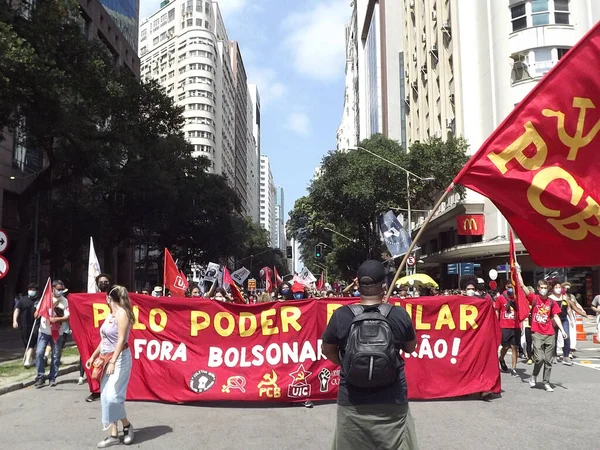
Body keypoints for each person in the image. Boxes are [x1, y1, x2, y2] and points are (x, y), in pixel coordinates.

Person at [322, 260, 418, 450]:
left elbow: (327, 349)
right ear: (384, 286)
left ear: (357, 285)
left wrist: (346, 363)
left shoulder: (341, 315)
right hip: (392, 401)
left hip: (352, 402)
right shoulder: (398, 314)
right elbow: (411, 347)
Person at [86, 286, 135, 448]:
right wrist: (93, 356)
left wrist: (113, 361)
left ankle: (127, 426)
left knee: (114, 397)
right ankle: (114, 434)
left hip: (119, 359)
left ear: (109, 298)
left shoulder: (123, 314)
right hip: (104, 358)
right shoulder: (110, 315)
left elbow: (121, 340)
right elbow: (104, 340)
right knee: (106, 397)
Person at [519, 276, 568, 392]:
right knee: (539, 358)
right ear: (538, 288)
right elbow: (523, 286)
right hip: (537, 333)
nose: (544, 290)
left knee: (548, 360)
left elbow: (556, 316)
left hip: (550, 333)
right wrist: (519, 272)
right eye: (541, 288)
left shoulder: (552, 302)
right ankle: (534, 375)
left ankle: (546, 382)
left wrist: (563, 330)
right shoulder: (534, 298)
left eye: (545, 288)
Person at [81, 275, 113, 399]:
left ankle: (110, 390)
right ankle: (96, 390)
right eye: (101, 282)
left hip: (112, 336)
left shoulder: (115, 298)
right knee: (96, 364)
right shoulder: (90, 299)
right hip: (94, 336)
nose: (103, 284)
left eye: (106, 282)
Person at [34, 280, 70, 387]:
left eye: (62, 290)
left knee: (56, 355)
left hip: (57, 332)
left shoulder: (65, 301)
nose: (60, 291)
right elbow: (37, 312)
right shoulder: (45, 298)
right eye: (58, 289)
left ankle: (52, 377)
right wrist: (37, 314)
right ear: (53, 289)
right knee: (39, 353)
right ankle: (40, 376)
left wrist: (57, 319)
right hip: (44, 331)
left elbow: (68, 316)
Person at [494, 282, 520, 377]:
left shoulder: (517, 298)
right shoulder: (501, 297)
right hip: (504, 326)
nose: (511, 289)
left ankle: (514, 368)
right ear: (506, 287)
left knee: (514, 347)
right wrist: (496, 323)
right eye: (509, 287)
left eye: (512, 287)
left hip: (515, 326)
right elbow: (497, 310)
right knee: (505, 347)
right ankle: (501, 358)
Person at [12, 283, 39, 368]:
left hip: (35, 324)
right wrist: (14, 321)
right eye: (30, 289)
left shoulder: (39, 300)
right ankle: (34, 359)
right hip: (24, 325)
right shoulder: (23, 300)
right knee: (26, 342)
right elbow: (17, 310)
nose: (31, 291)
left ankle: (27, 361)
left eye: (33, 289)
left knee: (31, 342)